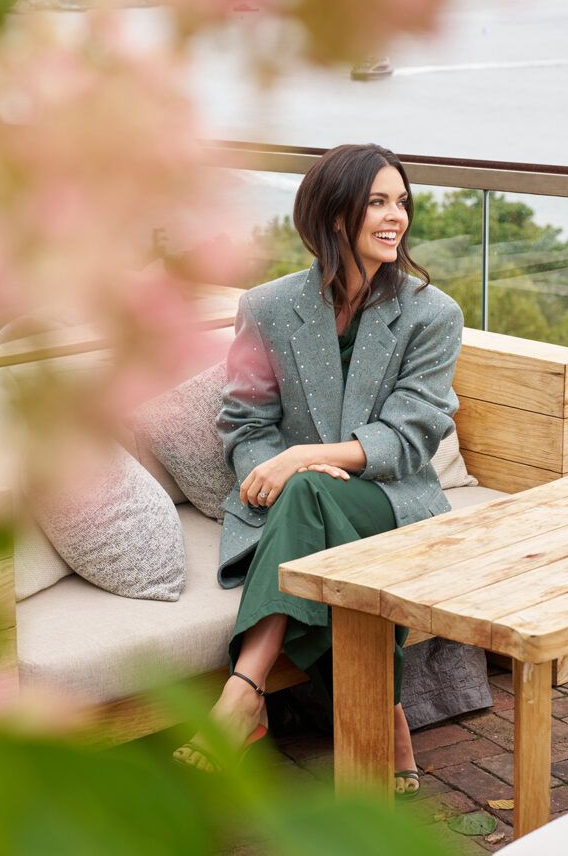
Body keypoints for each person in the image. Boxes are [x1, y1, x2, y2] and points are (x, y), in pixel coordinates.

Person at [173, 143, 464, 795]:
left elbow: (409, 436)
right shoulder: (269, 307)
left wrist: (305, 458)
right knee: (306, 499)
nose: (397, 218)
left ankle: (244, 692)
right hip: (300, 503)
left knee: (305, 489)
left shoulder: (432, 315)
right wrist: (269, 470)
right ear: (334, 216)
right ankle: (383, 717)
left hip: (390, 499)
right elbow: (245, 422)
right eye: (378, 202)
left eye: (402, 203)